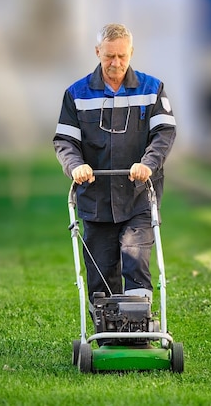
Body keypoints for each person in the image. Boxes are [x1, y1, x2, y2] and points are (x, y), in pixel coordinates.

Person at [53, 23, 176, 316]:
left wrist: (147, 164)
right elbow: (65, 141)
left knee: (136, 258)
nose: (116, 63)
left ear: (131, 52)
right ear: (98, 52)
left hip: (138, 198)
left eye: (122, 56)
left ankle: (139, 325)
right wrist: (75, 166)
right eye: (109, 56)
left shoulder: (152, 89)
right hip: (95, 199)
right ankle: (107, 331)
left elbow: (164, 134)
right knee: (101, 270)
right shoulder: (77, 94)